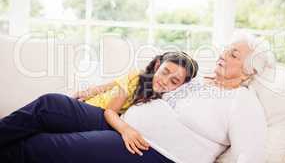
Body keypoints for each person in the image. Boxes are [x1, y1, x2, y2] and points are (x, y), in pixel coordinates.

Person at [1, 32, 273, 163]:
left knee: (43, 147)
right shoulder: (200, 80)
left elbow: (249, 157)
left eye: (233, 54)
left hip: (152, 151)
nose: (223, 54)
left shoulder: (243, 102)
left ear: (249, 69)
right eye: (226, 49)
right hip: (122, 125)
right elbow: (144, 81)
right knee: (51, 104)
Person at [0, 51, 198, 163]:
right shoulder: (137, 79)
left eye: (174, 81)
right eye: (165, 72)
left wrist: (93, 89)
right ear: (156, 66)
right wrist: (125, 129)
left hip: (106, 120)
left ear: (181, 86)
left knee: (39, 138)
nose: (165, 81)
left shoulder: (167, 99)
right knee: (49, 104)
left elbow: (112, 85)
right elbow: (110, 111)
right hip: (102, 111)